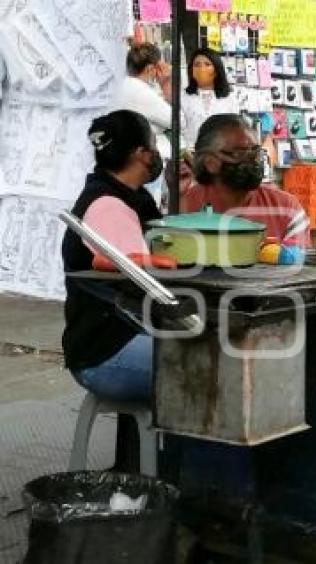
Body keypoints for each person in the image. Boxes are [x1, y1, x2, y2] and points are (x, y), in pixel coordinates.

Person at [61, 110, 164, 471]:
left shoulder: (130, 197)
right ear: (140, 153)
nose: (155, 152)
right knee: (201, 368)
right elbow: (141, 280)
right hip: (104, 351)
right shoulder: (108, 205)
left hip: (119, 337)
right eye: (151, 143)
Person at [181, 114, 309, 247]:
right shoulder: (186, 205)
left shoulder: (287, 209)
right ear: (210, 162)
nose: (253, 159)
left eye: (255, 151)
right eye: (239, 153)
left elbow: (298, 263)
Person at [182, 48, 239, 148]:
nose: (201, 68)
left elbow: (234, 129)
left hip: (220, 154)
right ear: (191, 70)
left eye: (207, 64)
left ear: (216, 70)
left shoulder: (229, 98)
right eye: (197, 65)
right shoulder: (183, 97)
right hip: (191, 153)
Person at [112, 42, 173, 133]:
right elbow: (180, 122)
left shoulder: (125, 84)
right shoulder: (141, 91)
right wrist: (166, 84)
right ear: (150, 69)